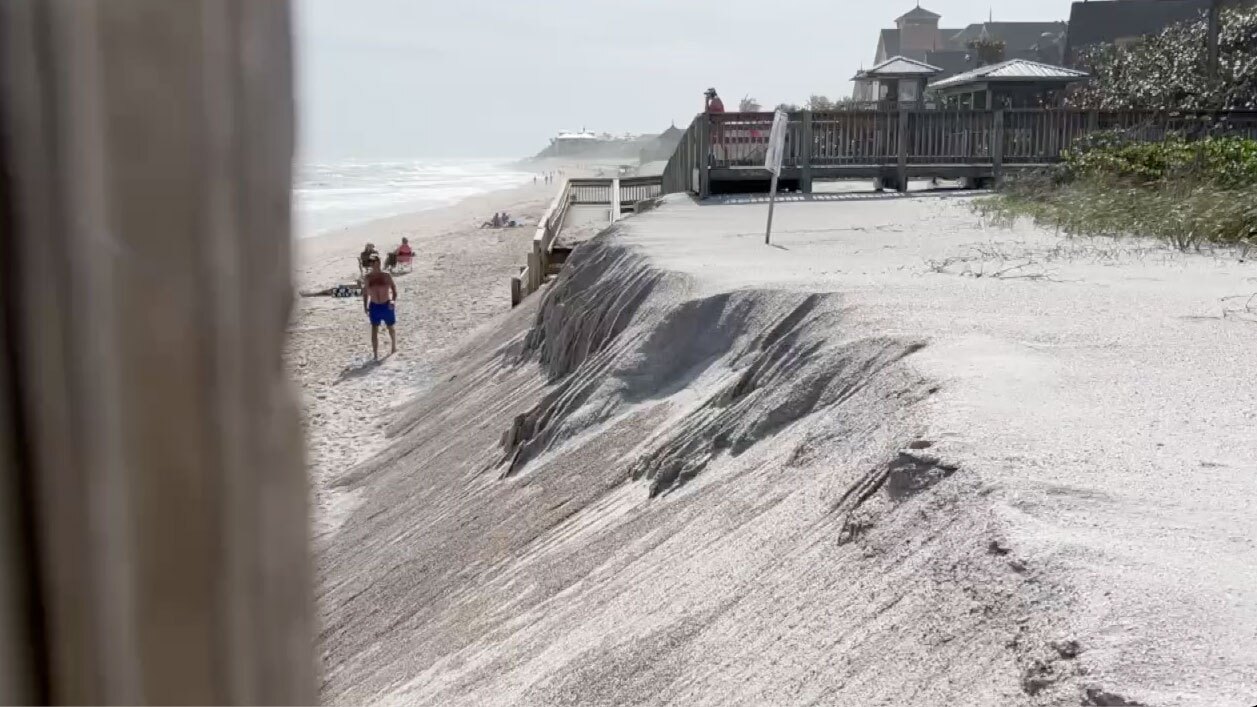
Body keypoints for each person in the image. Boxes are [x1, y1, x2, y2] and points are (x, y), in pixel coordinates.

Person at [362, 254, 397, 360]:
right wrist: (365, 306)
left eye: (373, 261)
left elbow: (394, 289)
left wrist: (393, 301)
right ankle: (375, 354)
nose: (371, 264)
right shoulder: (368, 277)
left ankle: (394, 346)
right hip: (374, 306)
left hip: (386, 304)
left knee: (390, 327)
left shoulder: (386, 275)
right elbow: (365, 293)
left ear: (378, 262)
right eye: (370, 262)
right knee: (374, 329)